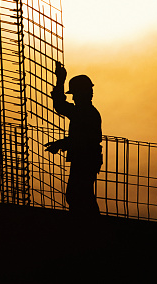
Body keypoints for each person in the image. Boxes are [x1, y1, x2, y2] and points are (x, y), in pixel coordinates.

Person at [44, 61, 103, 215]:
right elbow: (61, 106)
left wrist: (62, 144)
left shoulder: (86, 113)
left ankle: (87, 227)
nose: (74, 97)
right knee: (81, 194)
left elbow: (84, 140)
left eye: (75, 93)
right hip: (86, 159)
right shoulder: (83, 111)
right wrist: (61, 81)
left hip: (86, 159)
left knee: (79, 195)